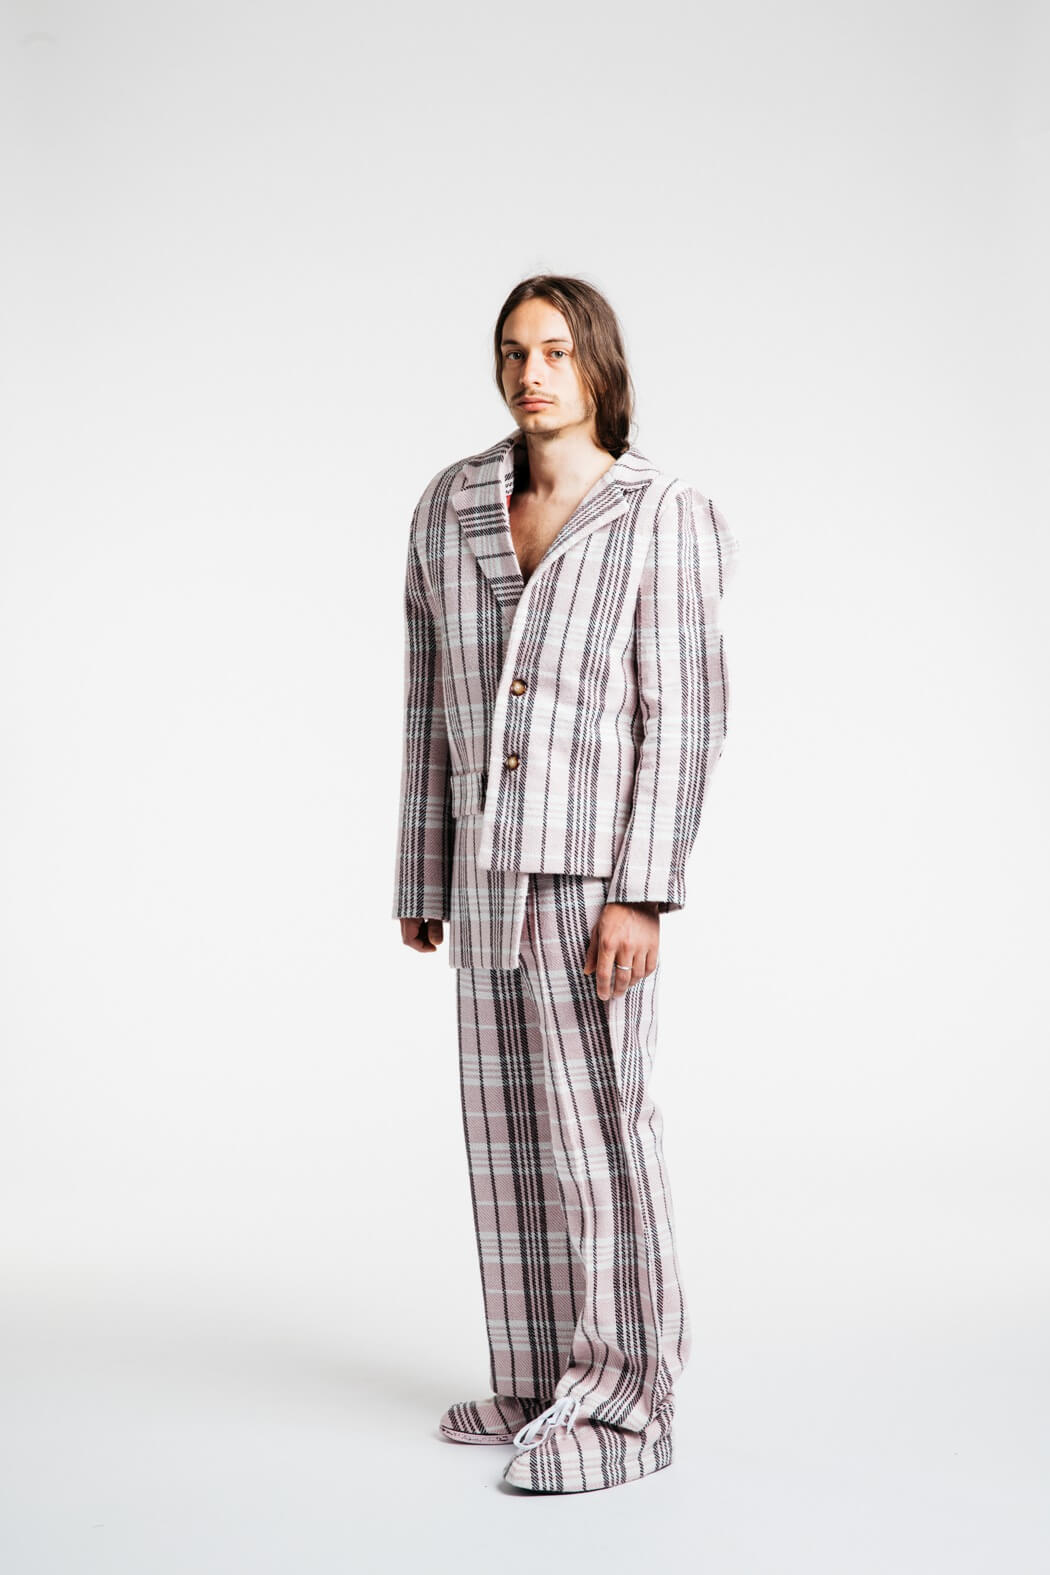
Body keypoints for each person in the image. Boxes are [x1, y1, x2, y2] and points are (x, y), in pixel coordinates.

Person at [391, 274, 740, 1493]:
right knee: (509, 1142)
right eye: (512, 352)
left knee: (600, 1140)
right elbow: (428, 700)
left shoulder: (662, 514)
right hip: (481, 868)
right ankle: (544, 1379)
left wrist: (644, 891)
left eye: (553, 351)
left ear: (596, 363)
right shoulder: (451, 507)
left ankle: (627, 1407)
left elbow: (683, 717)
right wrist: (421, 866)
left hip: (591, 876)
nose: (530, 374)